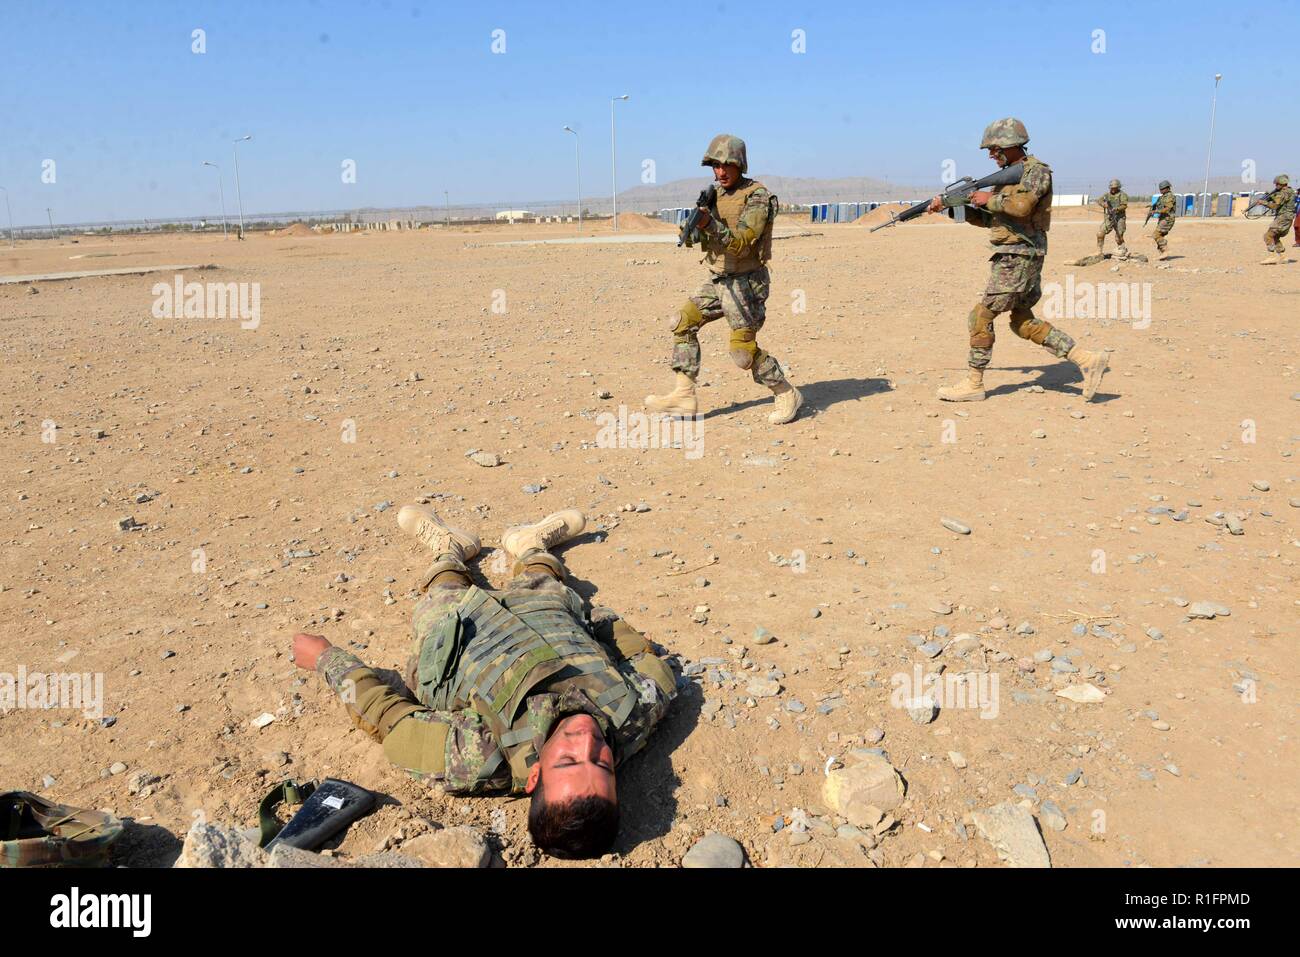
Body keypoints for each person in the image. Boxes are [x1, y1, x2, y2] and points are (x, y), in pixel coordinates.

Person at [291, 504, 676, 859]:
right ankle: (530, 546)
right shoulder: (633, 715)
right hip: (548, 618)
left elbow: (389, 720)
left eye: (570, 760)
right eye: (602, 764)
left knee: (443, 595)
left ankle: (449, 550)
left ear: (536, 775)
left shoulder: (479, 757)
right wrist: (596, 621)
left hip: (460, 635)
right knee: (548, 587)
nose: (588, 740)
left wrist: (327, 659)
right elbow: (644, 659)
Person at [926, 117, 1111, 403]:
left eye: (994, 148)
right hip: (1018, 253)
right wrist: (951, 208)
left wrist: (984, 197)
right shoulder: (1008, 177)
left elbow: (1021, 206)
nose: (990, 155)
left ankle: (974, 383)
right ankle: (1086, 359)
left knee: (981, 315)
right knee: (1022, 321)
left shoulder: (1036, 172)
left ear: (1010, 145)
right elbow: (993, 220)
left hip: (1019, 255)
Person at [644, 133, 803, 425]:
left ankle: (786, 391)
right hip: (718, 280)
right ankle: (684, 394)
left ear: (739, 164)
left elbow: (743, 243)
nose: (720, 172)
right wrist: (694, 228)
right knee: (682, 322)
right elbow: (701, 237)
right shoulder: (714, 195)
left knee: (742, 354)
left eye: (726, 166)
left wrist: (711, 225)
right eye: (715, 166)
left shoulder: (757, 196)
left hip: (746, 284)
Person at [1257, 174, 1295, 264]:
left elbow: (1275, 206)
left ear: (1281, 184)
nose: (1275, 186)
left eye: (1277, 184)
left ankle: (1272, 257)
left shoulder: (1283, 193)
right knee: (1275, 236)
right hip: (1287, 217)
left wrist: (1263, 202)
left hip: (1283, 217)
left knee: (1268, 235)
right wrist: (1271, 197)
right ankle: (1283, 257)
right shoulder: (1289, 191)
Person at [1096, 179, 1129, 258]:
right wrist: (1104, 204)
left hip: (1119, 218)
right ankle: (1099, 251)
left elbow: (1124, 205)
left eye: (1115, 188)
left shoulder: (1123, 195)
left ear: (1118, 187)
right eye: (1111, 188)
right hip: (1110, 217)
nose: (1113, 190)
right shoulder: (1107, 195)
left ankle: (1122, 249)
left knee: (1118, 237)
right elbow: (1099, 200)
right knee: (1100, 233)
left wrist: (1117, 209)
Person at [1151, 181, 1177, 258]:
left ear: (1168, 188)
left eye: (1163, 189)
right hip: (1163, 218)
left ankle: (1165, 251)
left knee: (1156, 234)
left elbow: (1168, 208)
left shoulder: (1169, 196)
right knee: (1160, 235)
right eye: (1160, 189)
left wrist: (1156, 211)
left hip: (1168, 218)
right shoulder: (1162, 197)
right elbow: (1158, 205)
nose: (1161, 190)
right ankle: (1163, 253)